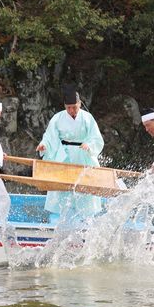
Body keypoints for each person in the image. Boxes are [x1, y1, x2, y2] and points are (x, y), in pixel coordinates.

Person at [36, 85, 105, 219]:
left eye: (74, 107)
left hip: (82, 154)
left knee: (85, 185)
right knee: (63, 186)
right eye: (68, 107)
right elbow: (50, 135)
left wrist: (89, 145)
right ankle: (61, 216)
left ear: (79, 104)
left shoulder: (87, 118)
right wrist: (44, 145)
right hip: (64, 155)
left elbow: (96, 137)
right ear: (65, 106)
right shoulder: (58, 117)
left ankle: (87, 218)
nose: (72, 110)